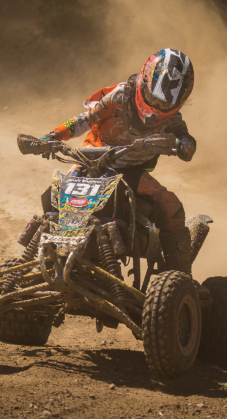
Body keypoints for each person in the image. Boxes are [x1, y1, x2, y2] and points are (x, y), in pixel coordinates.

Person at [40, 48, 197, 274]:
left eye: (164, 104)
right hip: (91, 161)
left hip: (131, 172)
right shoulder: (120, 96)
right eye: (153, 97)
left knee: (171, 206)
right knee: (54, 195)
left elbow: (187, 140)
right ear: (144, 80)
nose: (155, 106)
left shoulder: (172, 121)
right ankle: (41, 254)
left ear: (179, 102)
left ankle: (182, 276)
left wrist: (183, 147)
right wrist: (54, 136)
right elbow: (84, 119)